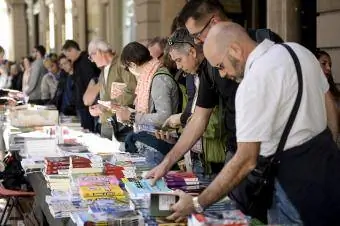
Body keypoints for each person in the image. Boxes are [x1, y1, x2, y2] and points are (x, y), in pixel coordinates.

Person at [166, 22, 340, 225]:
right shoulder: (298, 51)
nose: (222, 74)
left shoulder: (251, 83)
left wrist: (197, 203)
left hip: (292, 190)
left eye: (220, 66)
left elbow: (245, 161)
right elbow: (331, 110)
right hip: (329, 173)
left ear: (235, 50)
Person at [157, 27, 226, 175]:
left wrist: (182, 120)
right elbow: (192, 114)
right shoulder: (188, 78)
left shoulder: (215, 73)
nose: (178, 66)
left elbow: (211, 122)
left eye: (179, 60)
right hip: (195, 157)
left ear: (193, 52)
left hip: (216, 158)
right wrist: (176, 133)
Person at [117, 42, 179, 166]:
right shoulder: (149, 77)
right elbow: (150, 111)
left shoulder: (158, 78)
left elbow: (164, 117)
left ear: (132, 65)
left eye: (128, 68)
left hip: (158, 145)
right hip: (152, 142)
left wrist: (132, 116)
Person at [85, 38, 137, 140]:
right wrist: (99, 107)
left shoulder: (121, 64)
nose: (92, 60)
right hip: (107, 124)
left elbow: (131, 90)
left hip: (121, 126)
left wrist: (105, 106)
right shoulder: (103, 70)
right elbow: (107, 98)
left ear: (99, 52)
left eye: (91, 56)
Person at [62, 40, 101, 132]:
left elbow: (91, 82)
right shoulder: (76, 63)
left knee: (89, 131)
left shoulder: (86, 61)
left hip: (88, 104)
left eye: (67, 55)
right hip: (81, 103)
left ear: (72, 50)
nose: (68, 58)